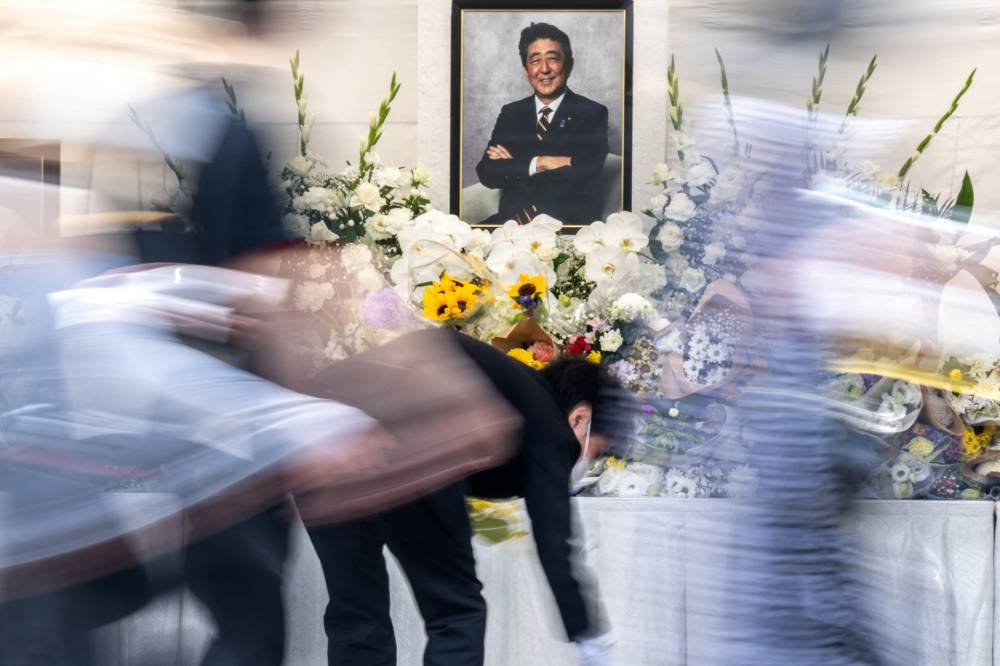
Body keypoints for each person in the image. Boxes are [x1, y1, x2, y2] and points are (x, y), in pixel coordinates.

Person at [307, 334, 628, 666]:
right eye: (597, 449)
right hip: (402, 437)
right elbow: (554, 540)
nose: (586, 458)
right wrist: (592, 637)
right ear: (580, 418)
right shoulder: (550, 427)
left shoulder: (511, 385)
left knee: (357, 608)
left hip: (316, 428)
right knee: (456, 611)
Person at [475, 22, 610, 226]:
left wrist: (513, 166)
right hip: (510, 224)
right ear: (525, 70)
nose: (544, 69)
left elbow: (584, 173)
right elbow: (487, 172)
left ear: (569, 65)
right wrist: (542, 162)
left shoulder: (591, 113)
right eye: (535, 61)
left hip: (568, 225)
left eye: (553, 59)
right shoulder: (511, 113)